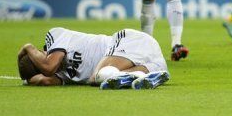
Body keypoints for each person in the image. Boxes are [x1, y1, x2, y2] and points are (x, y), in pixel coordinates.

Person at [17, 27, 169, 89]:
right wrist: (27, 79)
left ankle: (131, 77)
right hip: (151, 61)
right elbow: (44, 79)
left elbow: (48, 67)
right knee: (103, 76)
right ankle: (145, 77)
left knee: (96, 77)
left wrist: (27, 47)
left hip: (130, 41)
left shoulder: (55, 35)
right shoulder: (61, 75)